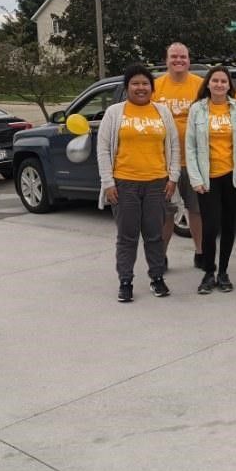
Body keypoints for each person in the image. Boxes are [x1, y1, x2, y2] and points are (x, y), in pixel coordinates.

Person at [97, 64, 180, 302]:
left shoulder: (162, 112)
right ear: (127, 87)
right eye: (135, 83)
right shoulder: (115, 113)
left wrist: (173, 177)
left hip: (157, 183)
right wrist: (108, 182)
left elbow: (174, 146)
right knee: (127, 236)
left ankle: (156, 277)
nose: (141, 88)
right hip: (124, 185)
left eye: (145, 84)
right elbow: (103, 149)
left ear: (151, 88)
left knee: (155, 235)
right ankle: (125, 281)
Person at [186, 66, 236, 295]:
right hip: (207, 178)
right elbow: (191, 147)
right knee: (210, 226)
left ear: (229, 85)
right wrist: (195, 178)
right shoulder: (197, 110)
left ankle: (223, 272)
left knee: (228, 226)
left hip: (233, 176)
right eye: (215, 80)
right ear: (208, 83)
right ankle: (208, 272)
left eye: (223, 81)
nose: (219, 84)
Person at [154, 42, 205, 269]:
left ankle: (201, 253)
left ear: (189, 59)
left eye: (182, 57)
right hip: (165, 165)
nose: (178, 60)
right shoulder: (156, 87)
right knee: (166, 213)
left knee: (196, 210)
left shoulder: (200, 85)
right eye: (174, 57)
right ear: (166, 60)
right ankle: (160, 257)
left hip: (195, 161)